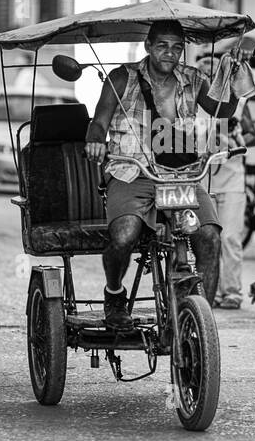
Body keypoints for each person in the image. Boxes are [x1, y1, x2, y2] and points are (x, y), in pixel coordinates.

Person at [84, 23, 245, 329]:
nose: (170, 53)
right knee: (124, 235)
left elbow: (222, 111)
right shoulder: (122, 78)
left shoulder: (193, 79)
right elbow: (99, 122)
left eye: (176, 47)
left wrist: (234, 79)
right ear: (148, 46)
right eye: (162, 46)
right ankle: (114, 294)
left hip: (181, 175)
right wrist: (94, 141)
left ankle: (201, 320)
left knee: (210, 236)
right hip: (133, 172)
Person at [197, 54, 255, 309]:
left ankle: (231, 291)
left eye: (215, 75)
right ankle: (207, 291)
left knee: (231, 237)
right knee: (205, 238)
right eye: (207, 76)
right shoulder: (194, 103)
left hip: (232, 178)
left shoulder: (238, 103)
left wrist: (236, 136)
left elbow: (252, 136)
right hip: (202, 179)